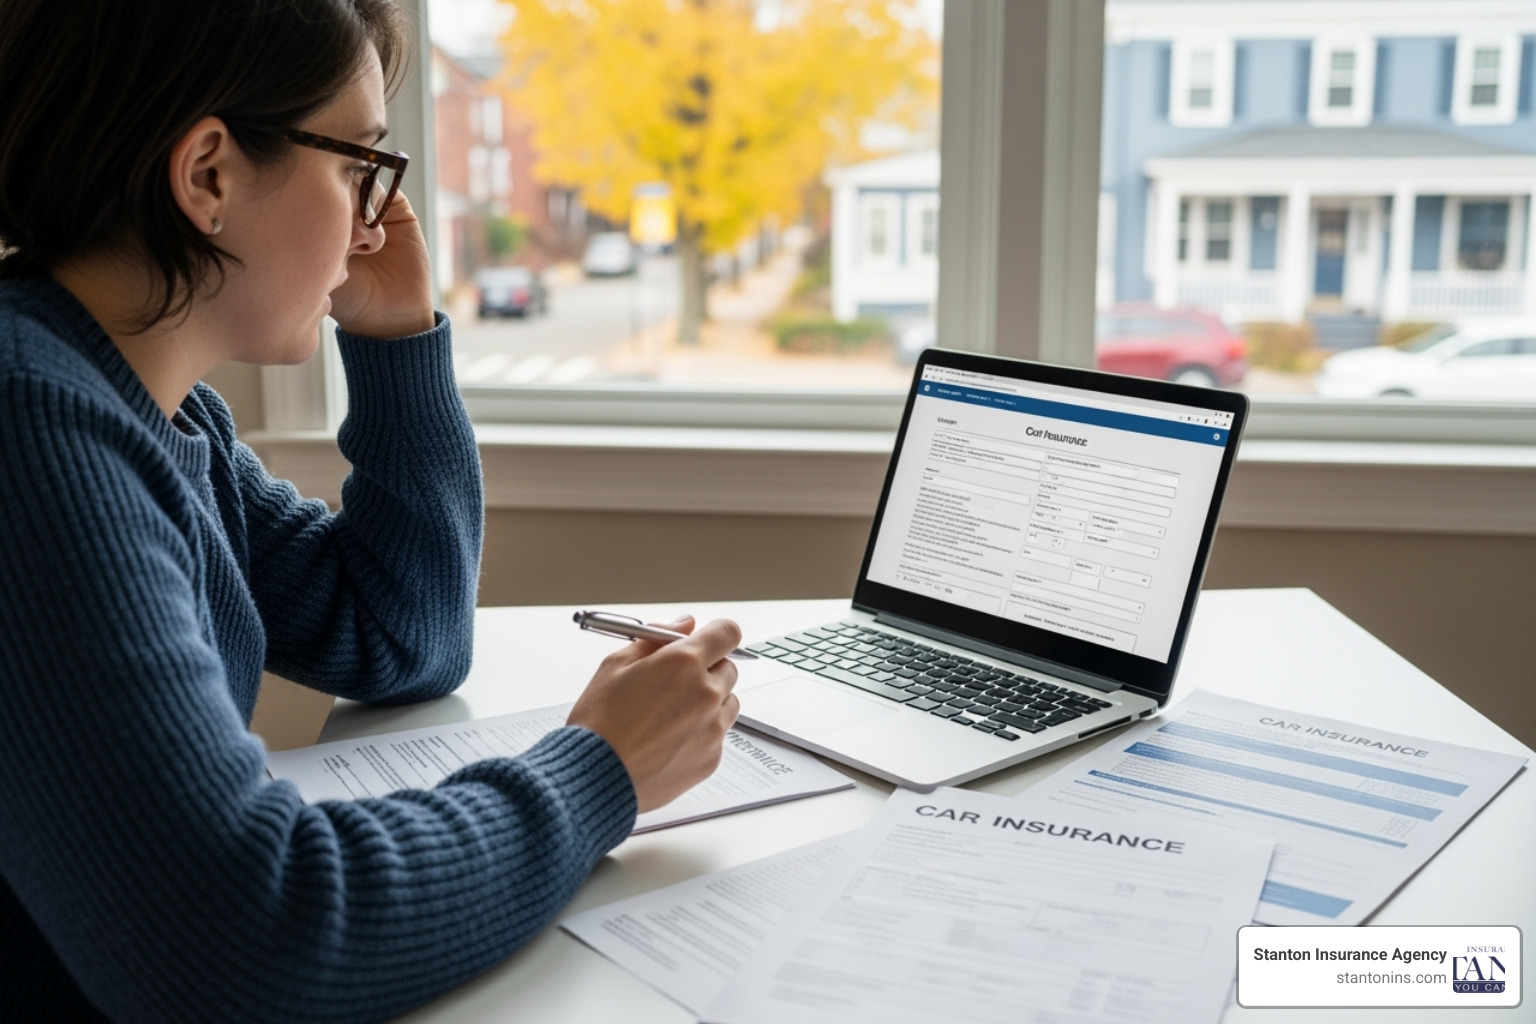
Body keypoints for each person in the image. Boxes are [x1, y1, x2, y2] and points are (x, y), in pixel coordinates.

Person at [0, 1, 742, 1020]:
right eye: (358, 165)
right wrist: (601, 771)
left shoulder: (159, 417)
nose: (371, 223)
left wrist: (395, 337)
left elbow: (402, 633)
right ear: (208, 175)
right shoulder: (32, 432)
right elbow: (248, 937)